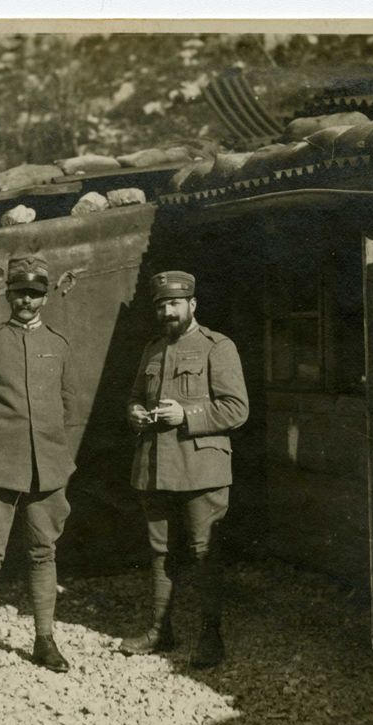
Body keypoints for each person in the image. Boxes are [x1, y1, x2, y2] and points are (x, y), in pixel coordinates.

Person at [0, 254, 81, 681]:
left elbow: (68, 404)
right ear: (7, 294)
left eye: (35, 293)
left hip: (47, 465)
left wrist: (57, 452)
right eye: (20, 291)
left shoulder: (59, 345)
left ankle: (44, 640)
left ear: (44, 297)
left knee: (44, 552)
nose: (27, 300)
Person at [121, 270, 249, 669]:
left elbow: (237, 409)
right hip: (156, 466)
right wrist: (136, 414)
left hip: (201, 469)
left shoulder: (217, 347)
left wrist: (186, 413)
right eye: (161, 305)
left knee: (204, 552)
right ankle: (161, 630)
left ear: (192, 304)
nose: (167, 311)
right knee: (160, 551)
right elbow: (134, 398)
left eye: (174, 303)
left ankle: (211, 637)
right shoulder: (153, 349)